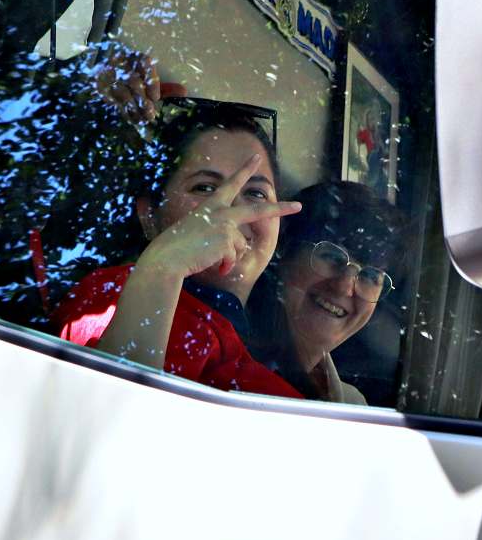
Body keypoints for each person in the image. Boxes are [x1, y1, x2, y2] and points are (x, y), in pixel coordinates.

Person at [54, 102, 304, 399]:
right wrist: (163, 269)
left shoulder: (278, 339)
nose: (232, 210)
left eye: (255, 193)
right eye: (205, 188)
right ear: (149, 216)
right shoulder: (119, 294)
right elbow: (104, 418)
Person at [249, 181, 404, 404]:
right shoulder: (220, 368)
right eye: (331, 256)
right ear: (285, 252)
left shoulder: (354, 407)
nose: (345, 286)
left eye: (370, 277)